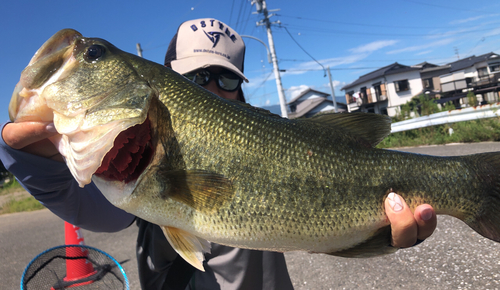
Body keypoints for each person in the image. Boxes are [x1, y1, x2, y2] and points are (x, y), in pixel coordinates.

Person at [0, 18, 437, 289]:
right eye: (194, 78)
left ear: (243, 92)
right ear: (165, 84)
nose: (211, 88)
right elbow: (103, 214)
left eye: (226, 80)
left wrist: (381, 231)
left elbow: (321, 228)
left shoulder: (274, 141)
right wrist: (34, 159)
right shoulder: (139, 150)